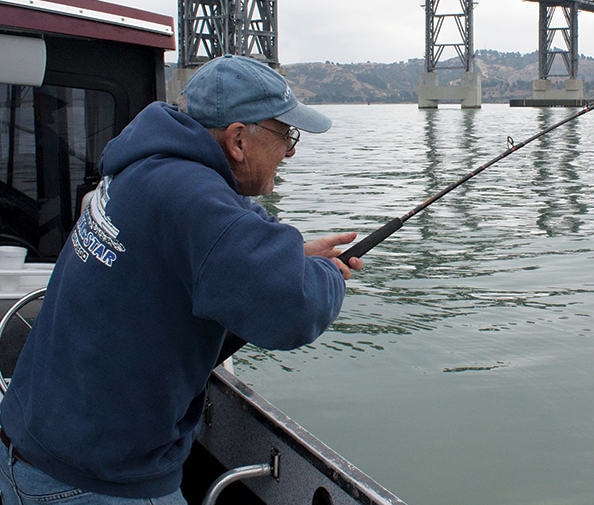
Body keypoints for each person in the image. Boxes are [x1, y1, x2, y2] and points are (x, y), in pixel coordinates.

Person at [0, 54, 361, 503]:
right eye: (285, 134)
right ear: (237, 141)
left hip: (31, 441)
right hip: (96, 479)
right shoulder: (194, 200)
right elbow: (293, 307)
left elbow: (213, 234)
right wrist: (328, 273)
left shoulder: (144, 165)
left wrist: (295, 254)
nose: (289, 151)